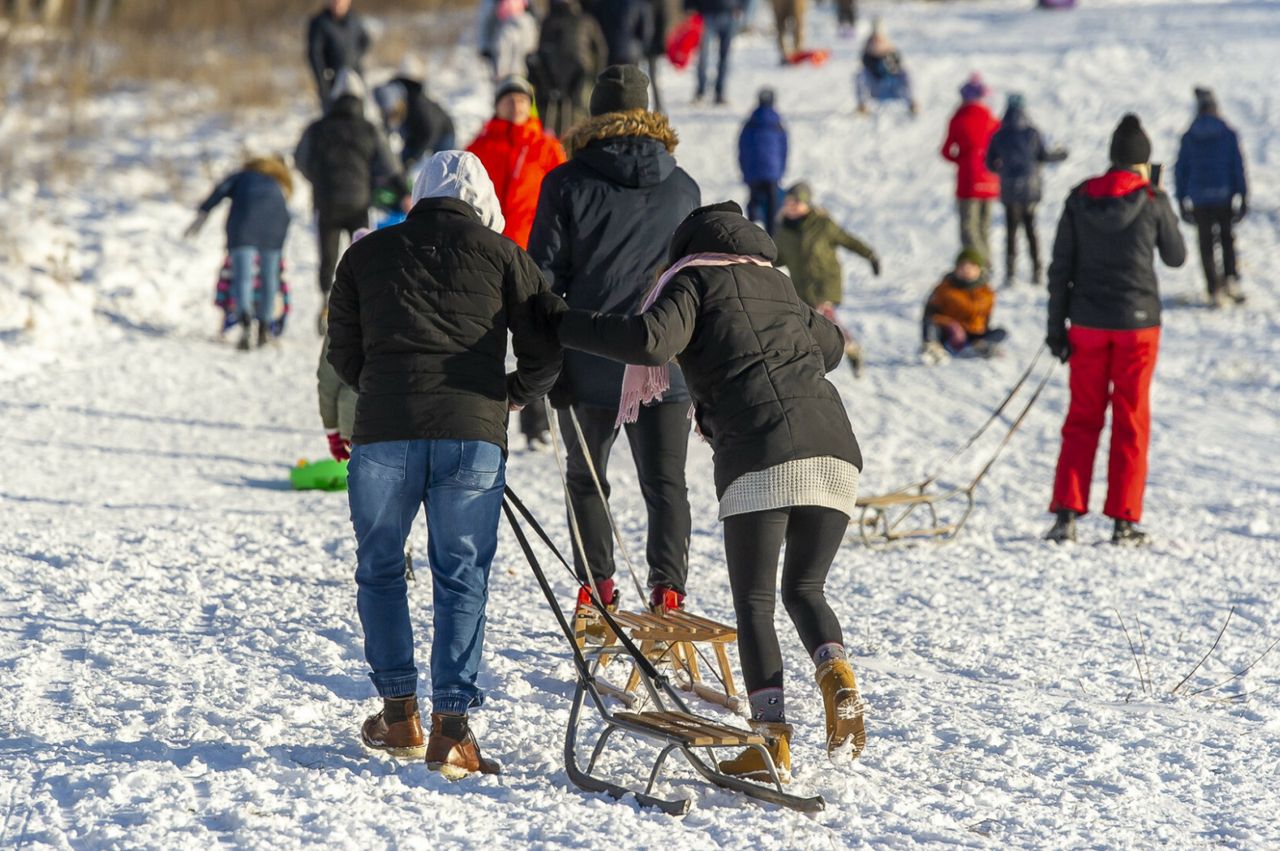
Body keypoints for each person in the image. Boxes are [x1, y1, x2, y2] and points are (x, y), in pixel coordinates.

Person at [532, 201, 867, 782]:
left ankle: (769, 742)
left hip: (760, 453)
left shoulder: (692, 279)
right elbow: (833, 347)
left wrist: (563, 322)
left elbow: (651, 341)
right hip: (836, 452)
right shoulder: (779, 283)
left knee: (756, 604)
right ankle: (837, 678)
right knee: (806, 589)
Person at [326, 151, 562, 777]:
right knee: (460, 574)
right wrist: (511, 393)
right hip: (470, 433)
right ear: (479, 200)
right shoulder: (505, 255)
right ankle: (452, 729)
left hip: (383, 433)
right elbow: (545, 346)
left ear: (419, 194)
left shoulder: (365, 253)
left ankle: (400, 713)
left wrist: (384, 388)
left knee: (379, 569)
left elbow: (342, 355)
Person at [527, 64, 701, 613]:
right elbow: (699, 277)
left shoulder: (566, 181)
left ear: (595, 113)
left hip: (588, 355)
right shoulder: (684, 186)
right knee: (667, 484)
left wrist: (543, 357)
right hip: (664, 358)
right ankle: (668, 590)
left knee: (587, 479)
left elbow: (544, 278)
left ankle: (596, 586)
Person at [1044, 114, 1186, 546]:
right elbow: (1176, 256)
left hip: (1086, 324)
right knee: (1131, 419)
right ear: (1142, 163)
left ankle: (1067, 515)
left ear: (1112, 158)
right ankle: (1123, 520)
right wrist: (1160, 197)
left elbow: (1060, 268)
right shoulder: (1151, 199)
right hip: (1138, 327)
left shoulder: (1079, 197)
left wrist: (1056, 327)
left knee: (1082, 417)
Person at [468, 75, 568, 448]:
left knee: (534, 335)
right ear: (497, 105)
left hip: (532, 254)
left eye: (523, 100)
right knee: (484, 335)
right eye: (509, 99)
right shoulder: (479, 147)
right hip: (486, 255)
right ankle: (482, 415)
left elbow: (564, 196)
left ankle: (536, 421)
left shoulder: (546, 146)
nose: (516, 105)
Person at [295, 71, 405, 332]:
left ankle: (325, 303)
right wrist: (399, 191)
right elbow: (389, 165)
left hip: (327, 202)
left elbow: (301, 159)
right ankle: (363, 307)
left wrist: (318, 180)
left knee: (328, 257)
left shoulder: (317, 128)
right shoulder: (368, 128)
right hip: (359, 203)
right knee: (362, 255)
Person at [185, 156, 293, 350]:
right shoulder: (278, 181)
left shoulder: (242, 176)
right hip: (274, 229)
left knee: (243, 277)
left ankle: (245, 322)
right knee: (270, 278)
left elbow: (220, 190)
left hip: (243, 228)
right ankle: (264, 327)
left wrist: (203, 212)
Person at [773, 181, 879, 377]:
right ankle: (841, 350)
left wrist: (870, 255)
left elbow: (848, 240)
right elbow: (775, 258)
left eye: (796, 202)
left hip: (826, 282)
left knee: (824, 316)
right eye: (788, 202)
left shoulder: (822, 224)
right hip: (802, 287)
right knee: (809, 324)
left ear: (806, 204)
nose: (791, 206)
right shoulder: (783, 232)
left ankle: (848, 347)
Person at [1175, 86, 1248, 307]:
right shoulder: (1227, 133)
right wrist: (1243, 195)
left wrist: (1181, 198)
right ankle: (1231, 280)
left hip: (1199, 197)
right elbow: (1237, 165)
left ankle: (1214, 289)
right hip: (1224, 195)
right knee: (1226, 238)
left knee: (1206, 243)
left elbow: (1181, 169)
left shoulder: (1189, 136)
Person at [985, 92, 1068, 286]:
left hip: (1009, 189)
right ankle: (1037, 270)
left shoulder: (999, 134)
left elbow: (989, 163)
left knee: (1011, 230)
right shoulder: (1032, 132)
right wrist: (1061, 155)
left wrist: (1002, 170)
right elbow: (1043, 156)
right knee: (1031, 229)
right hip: (1030, 189)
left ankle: (1010, 272)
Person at [526, 0, 609, 137]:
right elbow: (539, 51)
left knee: (578, 123)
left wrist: (593, 75)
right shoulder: (548, 21)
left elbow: (600, 51)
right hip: (550, 85)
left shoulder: (586, 20)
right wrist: (544, 78)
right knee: (550, 126)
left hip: (580, 80)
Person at [941, 73, 1000, 265]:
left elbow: (946, 151)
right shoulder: (992, 120)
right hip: (991, 179)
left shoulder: (958, 119)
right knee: (984, 226)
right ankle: (986, 261)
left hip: (967, 180)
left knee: (968, 226)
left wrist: (961, 159)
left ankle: (979, 263)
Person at [920, 248, 1006, 363]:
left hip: (974, 334)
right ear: (956, 268)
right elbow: (930, 315)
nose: (967, 270)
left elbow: (985, 319)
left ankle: (981, 346)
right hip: (949, 333)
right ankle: (933, 348)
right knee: (930, 325)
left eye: (971, 266)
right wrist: (951, 324)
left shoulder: (987, 292)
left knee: (1001, 332)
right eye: (962, 266)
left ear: (979, 269)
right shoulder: (944, 288)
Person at [373, 58, 457, 173]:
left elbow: (428, 132)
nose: (389, 115)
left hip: (443, 132)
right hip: (416, 135)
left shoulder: (418, 105)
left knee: (444, 168)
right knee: (401, 164)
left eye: (393, 111)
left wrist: (413, 158)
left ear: (398, 102)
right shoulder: (389, 101)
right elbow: (385, 133)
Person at [737, 88, 788, 235]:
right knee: (771, 205)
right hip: (772, 173)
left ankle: (750, 234)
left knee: (754, 201)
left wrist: (744, 169)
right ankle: (772, 236)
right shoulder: (777, 123)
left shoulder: (750, 122)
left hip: (753, 171)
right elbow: (784, 149)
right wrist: (781, 170)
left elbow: (742, 147)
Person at [307, 0, 371, 106]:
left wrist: (356, 56)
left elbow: (366, 40)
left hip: (355, 77)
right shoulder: (319, 23)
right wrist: (323, 81)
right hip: (333, 81)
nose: (337, 3)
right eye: (334, 1)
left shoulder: (354, 19)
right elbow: (314, 54)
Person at [686, 0, 742, 105]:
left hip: (729, 13)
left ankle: (720, 93)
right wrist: (689, 6)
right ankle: (700, 92)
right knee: (703, 56)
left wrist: (741, 7)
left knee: (725, 57)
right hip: (706, 13)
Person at [855, 19, 915, 114]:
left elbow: (898, 66)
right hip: (875, 86)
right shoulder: (868, 46)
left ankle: (911, 103)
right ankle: (862, 105)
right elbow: (864, 64)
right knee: (860, 76)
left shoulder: (889, 46)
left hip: (891, 85)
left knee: (904, 74)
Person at [477, 0, 540, 80]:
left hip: (522, 32)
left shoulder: (527, 20)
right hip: (504, 29)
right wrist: (484, 47)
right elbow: (486, 24)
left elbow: (532, 39)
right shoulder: (492, 4)